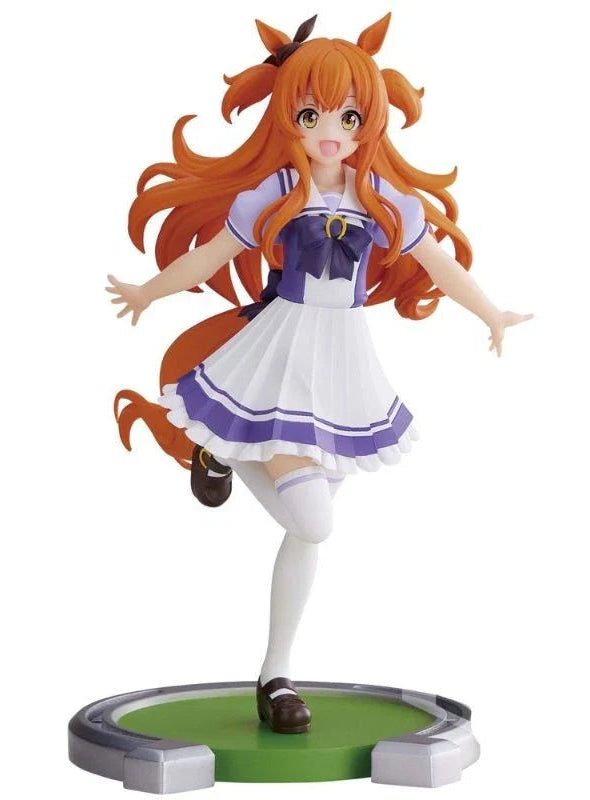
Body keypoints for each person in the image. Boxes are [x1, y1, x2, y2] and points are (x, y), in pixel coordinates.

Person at [107, 13, 532, 734]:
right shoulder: (274, 191)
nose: (330, 130)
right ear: (290, 118)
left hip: (344, 367)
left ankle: (276, 676)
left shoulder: (385, 200)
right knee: (316, 522)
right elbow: (210, 256)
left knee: (306, 535)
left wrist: (491, 312)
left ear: (369, 122)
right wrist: (149, 291)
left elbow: (439, 265)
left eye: (348, 116)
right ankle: (221, 447)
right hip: (283, 352)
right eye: (312, 115)